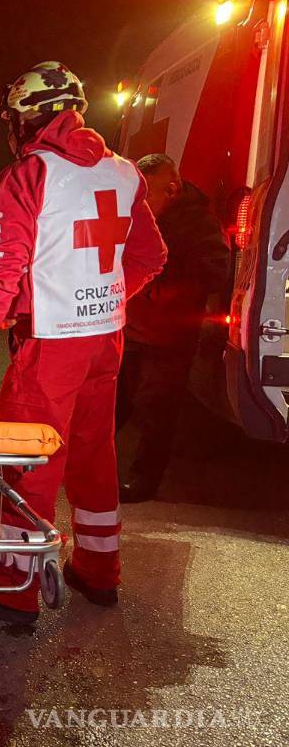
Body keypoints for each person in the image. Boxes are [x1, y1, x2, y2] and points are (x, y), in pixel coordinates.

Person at [0, 61, 167, 624]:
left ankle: (14, 588)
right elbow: (150, 256)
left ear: (26, 119)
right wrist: (106, 294)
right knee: (95, 452)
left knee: (27, 461)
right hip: (105, 339)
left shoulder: (27, 175)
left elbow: (1, 271)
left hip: (51, 343)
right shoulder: (125, 172)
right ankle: (99, 572)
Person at [115, 154, 228, 503]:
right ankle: (82, 465)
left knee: (156, 412)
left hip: (168, 337)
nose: (140, 203)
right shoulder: (142, 214)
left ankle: (144, 482)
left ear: (172, 189)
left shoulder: (199, 223)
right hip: (133, 329)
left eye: (147, 194)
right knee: (113, 404)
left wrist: (160, 277)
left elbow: (217, 272)